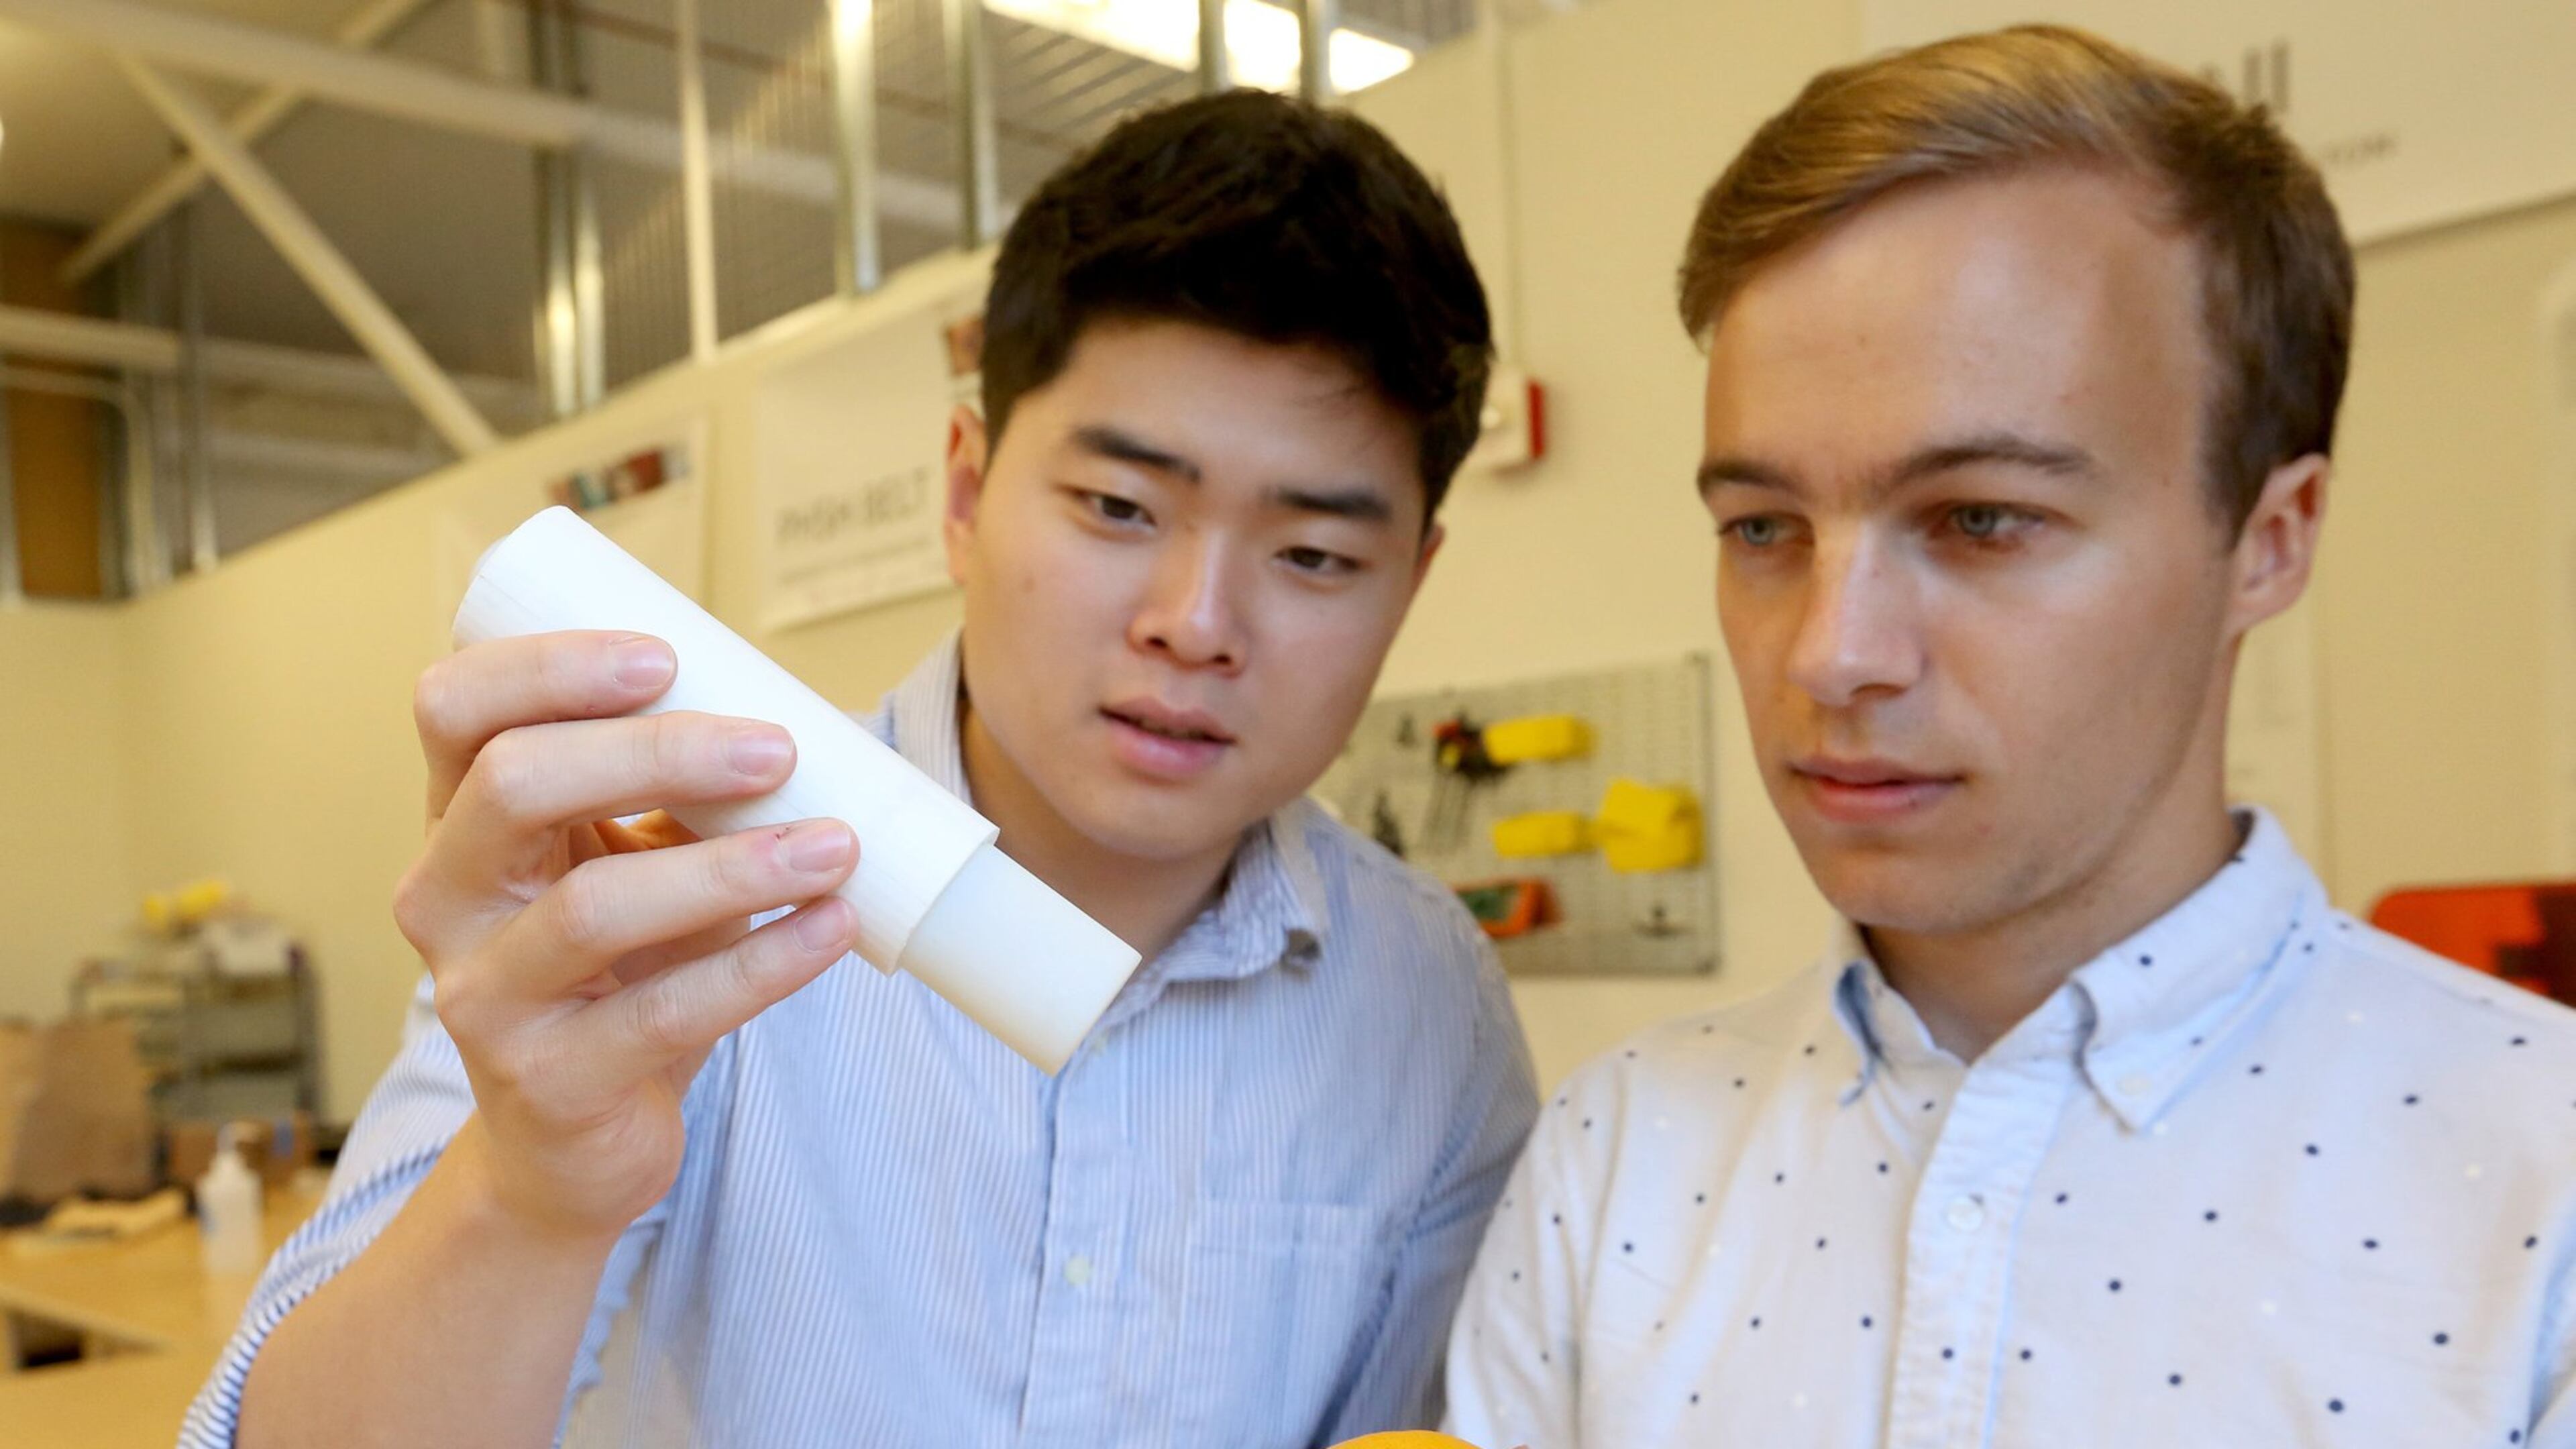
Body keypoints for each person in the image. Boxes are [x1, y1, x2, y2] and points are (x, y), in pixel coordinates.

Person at [188, 90, 1537, 1449]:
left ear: (1410, 581)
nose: (1194, 622)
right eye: (1120, 508)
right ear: (963, 491)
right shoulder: (656, 877)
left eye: (1312, 555)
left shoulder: (1431, 999)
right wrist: (530, 1192)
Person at [1446, 25, 2575, 1448]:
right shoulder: (1616, 1157)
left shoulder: (2542, 1200)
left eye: (1982, 518)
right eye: (1764, 530)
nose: (1832, 652)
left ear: (2269, 541)